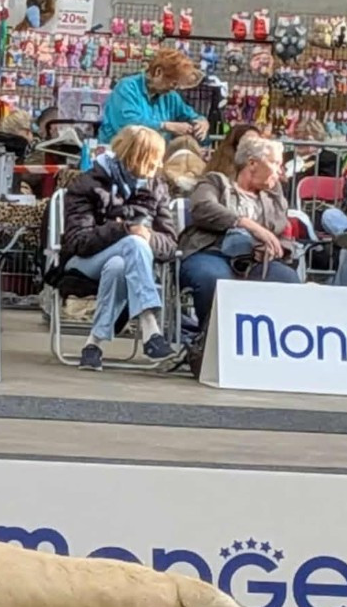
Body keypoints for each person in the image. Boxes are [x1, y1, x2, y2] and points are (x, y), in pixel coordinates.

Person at [59, 124, 185, 371]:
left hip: (130, 263)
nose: (159, 165)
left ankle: (93, 345)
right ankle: (150, 325)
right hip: (84, 261)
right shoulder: (87, 184)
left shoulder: (156, 187)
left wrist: (147, 236)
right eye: (154, 159)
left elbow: (170, 244)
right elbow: (78, 242)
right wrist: (123, 230)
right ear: (136, 158)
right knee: (133, 242)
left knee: (118, 265)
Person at [179, 133, 301, 328]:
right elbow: (202, 207)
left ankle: (272, 340)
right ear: (252, 163)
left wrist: (275, 250)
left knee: (287, 279)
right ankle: (210, 338)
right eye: (275, 163)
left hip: (255, 261)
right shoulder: (216, 182)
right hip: (211, 252)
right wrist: (246, 223)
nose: (280, 171)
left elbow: (282, 236)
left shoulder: (274, 198)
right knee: (216, 279)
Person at [99, 48, 209, 144]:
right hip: (117, 153)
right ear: (158, 72)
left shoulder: (171, 96)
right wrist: (165, 126)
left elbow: (190, 115)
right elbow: (128, 123)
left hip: (152, 156)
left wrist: (201, 122)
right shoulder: (126, 87)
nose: (175, 88)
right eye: (174, 83)